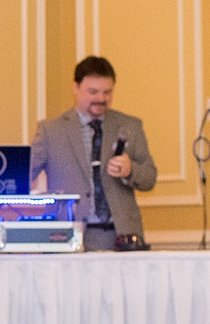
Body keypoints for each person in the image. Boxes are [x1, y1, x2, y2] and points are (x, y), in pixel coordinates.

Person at [29, 56, 155, 251]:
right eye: (93, 92)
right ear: (76, 88)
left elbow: (150, 178)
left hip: (122, 236)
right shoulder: (50, 131)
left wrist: (131, 170)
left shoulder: (130, 126)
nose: (101, 99)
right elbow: (25, 175)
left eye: (107, 92)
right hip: (68, 235)